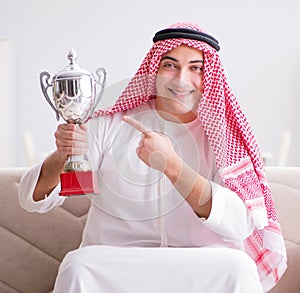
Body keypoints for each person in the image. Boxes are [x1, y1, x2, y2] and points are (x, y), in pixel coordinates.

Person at [19, 22, 287, 292]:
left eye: (196, 68)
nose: (181, 79)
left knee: (238, 267)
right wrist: (63, 153)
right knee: (78, 264)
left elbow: (239, 225)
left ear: (209, 77)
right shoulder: (110, 124)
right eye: (170, 65)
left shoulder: (222, 135)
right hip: (118, 265)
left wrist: (173, 167)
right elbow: (32, 200)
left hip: (199, 265)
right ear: (154, 69)